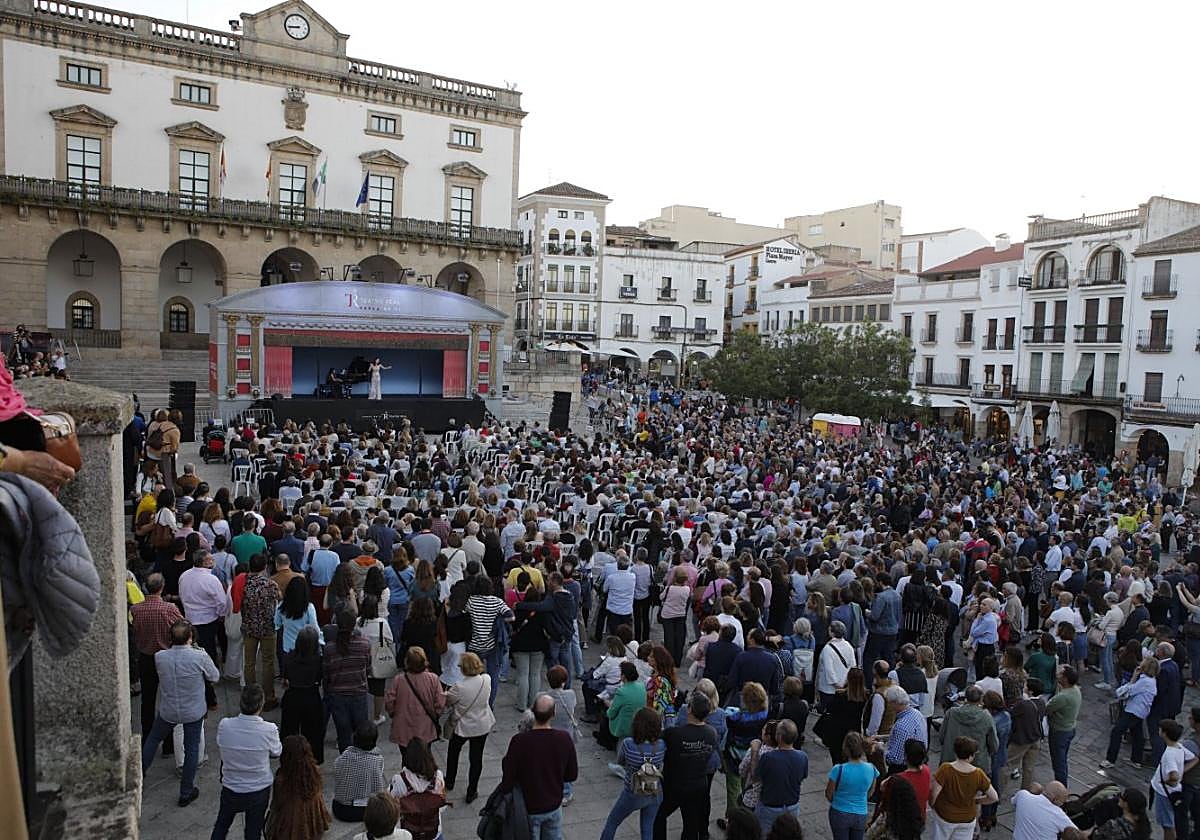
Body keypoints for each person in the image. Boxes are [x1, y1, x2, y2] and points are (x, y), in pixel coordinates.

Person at [140, 619, 219, 807]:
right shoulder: (199, 656)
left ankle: (140, 773)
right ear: (190, 637)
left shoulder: (160, 657)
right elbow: (214, 676)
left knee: (153, 739)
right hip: (193, 710)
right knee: (191, 748)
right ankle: (186, 791)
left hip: (169, 709)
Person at [498, 693, 579, 840]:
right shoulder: (563, 739)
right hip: (554, 805)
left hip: (528, 808)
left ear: (532, 711)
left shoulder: (519, 741)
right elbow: (571, 775)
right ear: (553, 714)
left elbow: (508, 778)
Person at [212, 684, 284, 840]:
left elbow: (221, 742)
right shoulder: (269, 729)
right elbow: (277, 752)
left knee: (221, 825)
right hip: (258, 789)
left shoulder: (225, 725)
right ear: (261, 705)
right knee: (253, 832)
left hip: (231, 786)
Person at [653, 693, 719, 840]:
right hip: (698, 785)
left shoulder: (674, 733)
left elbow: (657, 740)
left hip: (674, 786)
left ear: (689, 709)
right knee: (691, 824)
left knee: (658, 816)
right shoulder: (712, 733)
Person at [130, 573, 184, 751]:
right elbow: (182, 627)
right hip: (167, 657)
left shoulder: (136, 609)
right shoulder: (169, 608)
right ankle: (169, 743)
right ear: (161, 587)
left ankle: (147, 738)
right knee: (168, 698)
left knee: (148, 700)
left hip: (145, 658)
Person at [600, 707, 666, 840]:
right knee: (647, 829)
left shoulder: (628, 744)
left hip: (633, 792)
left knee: (612, 822)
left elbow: (620, 761)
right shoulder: (661, 745)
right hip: (654, 791)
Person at [445, 651, 495, 804]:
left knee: (453, 753)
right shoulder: (486, 679)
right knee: (476, 758)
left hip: (463, 726)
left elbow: (449, 702)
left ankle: (450, 781)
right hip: (482, 725)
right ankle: (471, 791)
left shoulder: (459, 687)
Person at [928, 736, 997, 840]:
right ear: (971, 756)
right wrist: (977, 801)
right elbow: (993, 797)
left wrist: (933, 805)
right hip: (967, 819)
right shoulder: (979, 774)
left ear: (955, 752)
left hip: (945, 816)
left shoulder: (945, 769)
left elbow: (934, 793)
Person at [263, 735, 331, 840]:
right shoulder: (315, 773)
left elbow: (277, 805)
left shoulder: (282, 779)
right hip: (312, 824)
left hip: (289, 825)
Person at [326, 608, 373, 753]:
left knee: (343, 735)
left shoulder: (330, 649)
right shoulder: (364, 644)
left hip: (338, 696)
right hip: (359, 694)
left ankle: (345, 764)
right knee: (361, 734)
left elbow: (326, 674)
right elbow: (368, 669)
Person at [385, 646, 446, 753]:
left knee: (405, 757)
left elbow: (390, 701)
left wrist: (393, 713)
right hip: (425, 726)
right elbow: (440, 703)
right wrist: (435, 714)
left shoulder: (399, 679)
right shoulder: (433, 679)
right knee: (425, 758)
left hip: (403, 727)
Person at [1102, 656, 1159, 769]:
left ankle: (1110, 759)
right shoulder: (1151, 680)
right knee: (1137, 734)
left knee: (1117, 732)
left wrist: (1133, 678)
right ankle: (1136, 759)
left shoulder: (1144, 682)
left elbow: (1124, 692)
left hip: (1133, 710)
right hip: (1141, 711)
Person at [241, 553, 281, 711]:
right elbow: (279, 598)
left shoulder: (244, 584)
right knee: (268, 661)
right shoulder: (270, 584)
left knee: (249, 662)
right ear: (265, 567)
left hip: (249, 626)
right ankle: (268, 696)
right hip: (267, 627)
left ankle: (250, 694)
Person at [280, 624, 325, 764]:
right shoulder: (318, 660)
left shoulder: (289, 658)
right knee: (314, 733)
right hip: (311, 696)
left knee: (289, 731)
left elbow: (285, 677)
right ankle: (314, 759)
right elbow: (320, 678)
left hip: (292, 696)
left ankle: (288, 758)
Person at [754, 718, 807, 835]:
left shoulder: (768, 757)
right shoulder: (803, 757)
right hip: (792, 805)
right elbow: (802, 777)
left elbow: (755, 778)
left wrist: (754, 752)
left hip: (769, 806)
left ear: (779, 737)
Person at [388, 737, 447, 840]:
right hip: (433, 832)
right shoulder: (438, 776)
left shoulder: (399, 780)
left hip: (408, 832)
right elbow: (441, 805)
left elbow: (390, 804)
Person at [825, 731, 879, 840]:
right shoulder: (871, 769)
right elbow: (870, 792)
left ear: (846, 748)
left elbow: (829, 794)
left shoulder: (838, 769)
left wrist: (838, 801)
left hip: (840, 811)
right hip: (860, 813)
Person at [332, 720, 387, 822]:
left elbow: (336, 772)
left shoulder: (344, 756)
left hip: (340, 809)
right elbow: (379, 789)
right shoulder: (377, 760)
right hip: (364, 811)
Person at [1152, 719, 1197, 840]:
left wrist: (1167, 781)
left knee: (1167, 824)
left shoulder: (1169, 754)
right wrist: (1181, 771)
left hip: (1164, 792)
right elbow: (1194, 758)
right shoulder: (1179, 747)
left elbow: (1174, 776)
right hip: (1173, 792)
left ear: (1164, 733)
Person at [938, 685, 998, 774]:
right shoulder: (986, 717)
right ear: (981, 699)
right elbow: (994, 745)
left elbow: (942, 736)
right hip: (977, 763)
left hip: (951, 761)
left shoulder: (951, 713)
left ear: (965, 697)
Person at [1045, 665, 1081, 785]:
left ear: (1065, 679)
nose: (1058, 675)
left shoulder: (1063, 697)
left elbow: (1047, 709)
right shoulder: (1075, 690)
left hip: (1059, 731)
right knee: (1062, 760)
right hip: (1069, 729)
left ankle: (1061, 789)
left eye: (1061, 674)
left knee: (1058, 763)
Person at [1010, 781, 1076, 840]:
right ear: (1055, 799)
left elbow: (1013, 801)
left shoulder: (1022, 795)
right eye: (1062, 802)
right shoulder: (1058, 814)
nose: (1062, 805)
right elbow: (1076, 834)